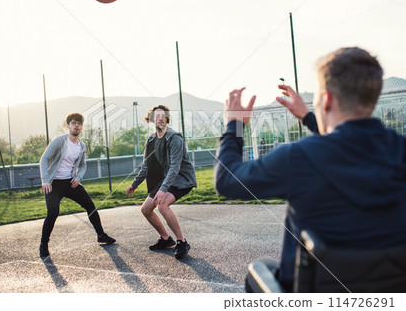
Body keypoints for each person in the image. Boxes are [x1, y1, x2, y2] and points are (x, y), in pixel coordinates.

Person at [214, 47, 406, 292]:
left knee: (260, 269)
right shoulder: (400, 150)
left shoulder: (297, 158)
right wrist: (307, 116)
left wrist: (234, 126)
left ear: (326, 100)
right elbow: (349, 145)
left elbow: (228, 180)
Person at [39, 112, 116, 258]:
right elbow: (44, 159)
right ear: (68, 126)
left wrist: (78, 178)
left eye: (79, 124)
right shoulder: (59, 141)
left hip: (70, 182)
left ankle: (101, 235)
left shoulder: (81, 146)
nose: (77, 126)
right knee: (53, 212)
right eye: (73, 123)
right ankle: (43, 244)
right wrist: (45, 180)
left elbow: (83, 166)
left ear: (82, 127)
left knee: (90, 206)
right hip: (54, 183)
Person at [126, 105, 197, 259]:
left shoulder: (174, 138)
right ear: (151, 119)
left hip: (182, 178)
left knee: (162, 205)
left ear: (167, 118)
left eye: (162, 115)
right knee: (145, 209)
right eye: (156, 116)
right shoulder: (151, 140)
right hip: (167, 179)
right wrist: (134, 184)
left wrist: (163, 189)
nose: (160, 118)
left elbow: (175, 167)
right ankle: (166, 239)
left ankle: (182, 242)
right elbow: (146, 166)